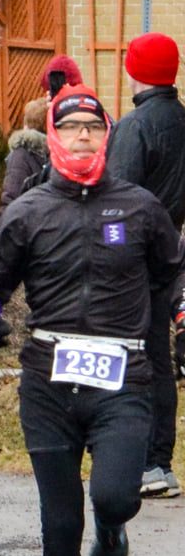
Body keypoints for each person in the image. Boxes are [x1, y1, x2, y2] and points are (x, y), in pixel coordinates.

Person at [0, 83, 181, 556]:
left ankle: (111, 527)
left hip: (122, 379)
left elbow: (171, 274)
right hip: (48, 383)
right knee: (59, 523)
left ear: (106, 136)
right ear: (55, 136)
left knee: (114, 496)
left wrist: (174, 317)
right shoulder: (30, 211)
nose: (82, 136)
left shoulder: (139, 207)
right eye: (71, 127)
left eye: (92, 126)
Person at [101, 33, 185, 499]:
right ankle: (160, 461)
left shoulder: (135, 127)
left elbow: (117, 200)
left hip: (132, 258)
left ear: (135, 70)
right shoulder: (181, 121)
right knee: (156, 359)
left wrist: (110, 248)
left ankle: (144, 461)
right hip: (169, 249)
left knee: (131, 361)